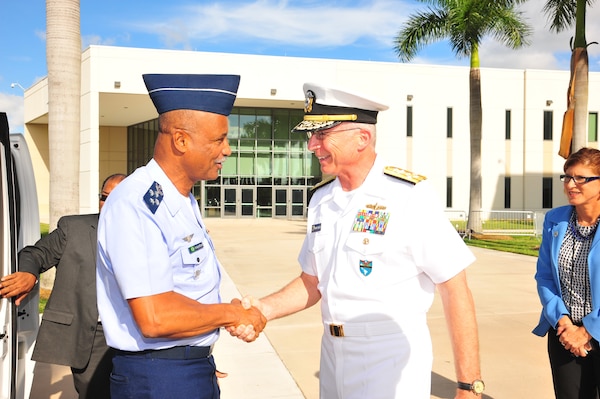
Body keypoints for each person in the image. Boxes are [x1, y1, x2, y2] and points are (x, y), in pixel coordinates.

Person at [231, 83, 483, 398]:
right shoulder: (321, 200)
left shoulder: (407, 196)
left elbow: (454, 286)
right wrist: (262, 310)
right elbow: (313, 281)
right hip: (332, 353)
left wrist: (468, 384)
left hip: (388, 359)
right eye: (312, 135)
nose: (312, 145)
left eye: (321, 135)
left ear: (361, 138)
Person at [95, 74, 266, 399]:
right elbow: (156, 316)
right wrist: (231, 314)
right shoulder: (136, 203)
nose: (227, 150)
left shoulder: (179, 199)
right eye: (219, 139)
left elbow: (184, 287)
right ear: (181, 141)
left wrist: (222, 310)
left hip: (187, 370)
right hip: (157, 377)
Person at [0, 172, 126, 399]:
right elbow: (36, 253)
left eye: (117, 197)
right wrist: (30, 273)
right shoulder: (74, 228)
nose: (108, 204)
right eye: (104, 197)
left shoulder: (150, 233)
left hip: (136, 333)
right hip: (93, 336)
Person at [533, 147, 600, 398]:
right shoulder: (555, 220)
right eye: (567, 177)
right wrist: (563, 322)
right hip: (565, 333)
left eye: (581, 178)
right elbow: (545, 276)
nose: (571, 184)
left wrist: (588, 331)